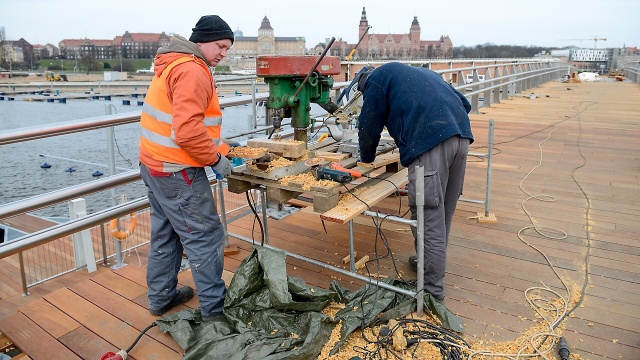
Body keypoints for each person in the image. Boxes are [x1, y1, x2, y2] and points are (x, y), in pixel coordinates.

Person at [138, 15, 235, 321]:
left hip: (154, 165)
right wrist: (216, 160)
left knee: (166, 234)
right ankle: (214, 313)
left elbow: (189, 125)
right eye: (220, 45)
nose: (223, 53)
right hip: (178, 172)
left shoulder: (174, 63)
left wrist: (222, 149)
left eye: (227, 48)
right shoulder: (193, 70)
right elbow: (188, 132)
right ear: (202, 40)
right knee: (205, 238)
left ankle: (161, 298)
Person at [356, 62, 474, 303]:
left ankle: (431, 293)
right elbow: (465, 103)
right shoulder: (422, 73)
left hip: (430, 147)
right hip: (461, 138)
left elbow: (368, 126)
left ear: (363, 83)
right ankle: (426, 263)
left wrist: (366, 158)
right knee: (442, 215)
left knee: (427, 217)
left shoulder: (376, 81)